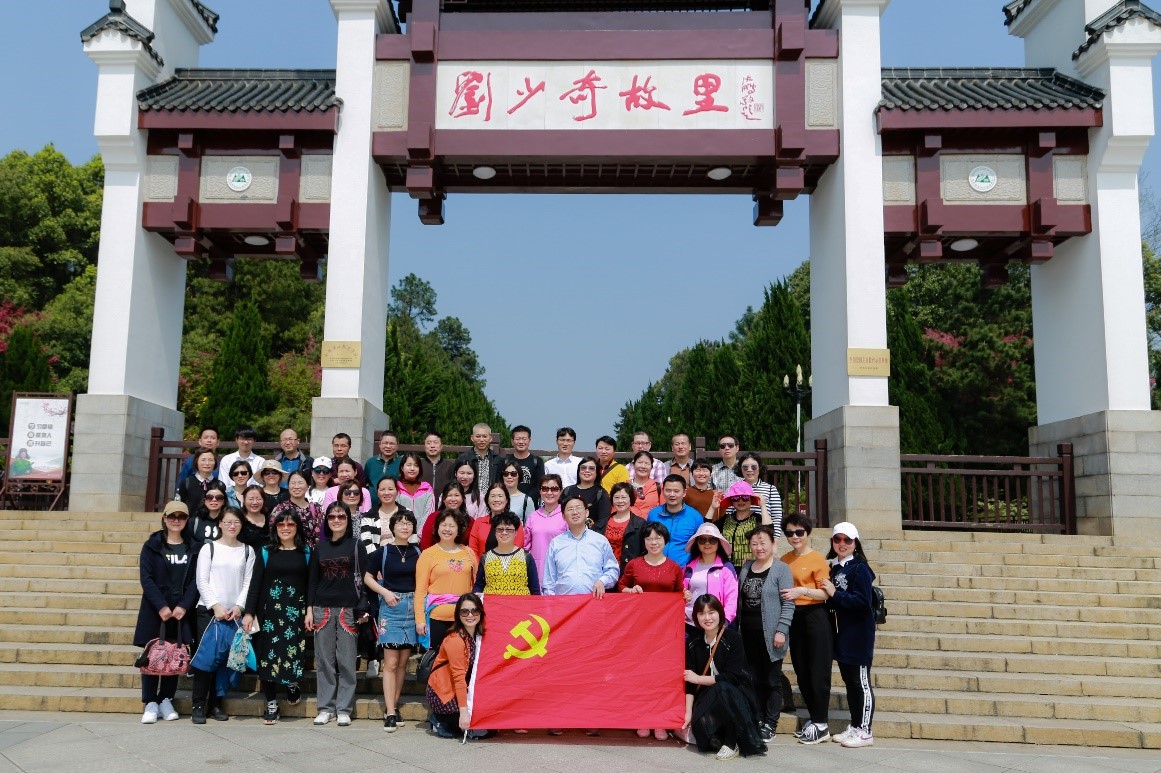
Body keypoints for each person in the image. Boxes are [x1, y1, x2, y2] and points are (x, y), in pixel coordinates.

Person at [243, 509, 310, 725]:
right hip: (268, 613)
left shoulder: (306, 552)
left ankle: (292, 683)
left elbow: (311, 585)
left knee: (293, 652)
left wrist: (309, 610)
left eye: (290, 524)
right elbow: (255, 584)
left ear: (297, 527)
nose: (286, 528)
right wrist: (249, 613)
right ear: (275, 528)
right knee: (267, 658)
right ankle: (271, 703)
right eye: (281, 524)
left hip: (295, 613)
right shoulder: (265, 551)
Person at [189, 508, 255, 724]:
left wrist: (239, 606)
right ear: (220, 524)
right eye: (228, 522)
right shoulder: (209, 548)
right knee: (206, 659)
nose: (232, 526)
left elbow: (248, 583)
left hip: (234, 613)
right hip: (209, 611)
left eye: (236, 522)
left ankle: (216, 703)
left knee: (226, 660)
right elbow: (202, 580)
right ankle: (198, 705)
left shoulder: (247, 551)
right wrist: (215, 606)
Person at [136, 501, 199, 724]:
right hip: (156, 609)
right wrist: (161, 606)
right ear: (164, 518)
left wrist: (184, 605)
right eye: (172, 516)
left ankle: (166, 699)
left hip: (181, 610)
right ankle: (150, 702)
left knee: (175, 654)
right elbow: (146, 578)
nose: (176, 520)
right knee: (152, 654)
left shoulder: (194, 546)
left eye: (181, 517)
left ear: (187, 520)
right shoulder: (152, 545)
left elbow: (197, 580)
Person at [306, 502, 368, 727]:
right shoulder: (319, 548)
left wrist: (363, 608)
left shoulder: (356, 545)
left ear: (348, 520)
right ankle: (325, 707)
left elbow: (364, 579)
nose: (336, 520)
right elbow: (312, 581)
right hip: (322, 607)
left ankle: (343, 708)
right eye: (332, 517)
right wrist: (309, 609)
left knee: (347, 661)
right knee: (324, 661)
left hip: (348, 609)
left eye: (341, 516)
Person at [682, 594, 766, 759]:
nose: (707, 618)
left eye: (711, 612)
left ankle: (731, 742)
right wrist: (688, 713)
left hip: (735, 694)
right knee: (703, 733)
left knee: (723, 688)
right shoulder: (693, 641)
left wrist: (698, 679)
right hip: (707, 697)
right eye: (702, 613)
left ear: (720, 613)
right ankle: (723, 738)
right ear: (696, 617)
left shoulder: (733, 638)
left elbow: (732, 677)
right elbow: (689, 682)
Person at [363, 511, 421, 733]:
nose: (405, 527)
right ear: (393, 527)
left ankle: (394, 707)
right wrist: (384, 592)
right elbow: (368, 577)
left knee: (403, 663)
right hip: (391, 608)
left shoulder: (419, 552)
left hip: (412, 608)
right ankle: (389, 712)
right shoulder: (383, 551)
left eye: (409, 523)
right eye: (401, 523)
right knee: (390, 663)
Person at [779, 512, 833, 744]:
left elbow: (825, 594)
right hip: (794, 617)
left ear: (807, 533)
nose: (795, 536)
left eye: (799, 532)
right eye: (790, 533)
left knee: (817, 671)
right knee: (801, 670)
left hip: (815, 615)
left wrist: (803, 591)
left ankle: (822, 723)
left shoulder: (817, 559)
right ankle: (814, 718)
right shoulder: (784, 559)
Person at [823, 522, 877, 749]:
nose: (842, 544)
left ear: (856, 543)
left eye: (848, 540)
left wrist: (835, 593)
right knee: (850, 682)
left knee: (861, 683)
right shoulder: (835, 567)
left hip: (859, 635)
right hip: (842, 634)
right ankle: (855, 726)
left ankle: (865, 731)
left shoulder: (859, 569)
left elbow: (864, 602)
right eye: (838, 539)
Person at [738, 525, 794, 742]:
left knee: (772, 680)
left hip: (772, 635)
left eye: (763, 543)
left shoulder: (781, 569)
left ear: (773, 544)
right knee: (754, 678)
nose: (759, 547)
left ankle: (770, 723)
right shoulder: (747, 567)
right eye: (754, 543)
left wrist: (781, 630)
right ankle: (758, 718)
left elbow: (788, 603)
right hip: (748, 635)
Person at [415, 510, 477, 655]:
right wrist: (420, 620)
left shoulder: (469, 553)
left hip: (465, 616)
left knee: (464, 659)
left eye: (452, 526)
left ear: (459, 529)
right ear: (437, 527)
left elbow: (475, 585)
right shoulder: (428, 554)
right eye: (443, 525)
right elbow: (420, 591)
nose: (447, 529)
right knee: (438, 660)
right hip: (437, 617)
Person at [426, 593, 485, 739]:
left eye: (475, 611)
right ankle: (439, 719)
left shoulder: (479, 636)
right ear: (458, 614)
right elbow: (458, 678)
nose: (470, 615)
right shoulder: (455, 640)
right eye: (465, 611)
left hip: (465, 688)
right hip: (445, 692)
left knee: (486, 726)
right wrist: (464, 713)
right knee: (475, 729)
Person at [541, 495, 619, 597]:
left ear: (586, 512)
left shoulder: (600, 541)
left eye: (578, 508)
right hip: (564, 603)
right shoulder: (556, 543)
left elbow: (613, 570)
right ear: (563, 516)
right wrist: (551, 602)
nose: (575, 512)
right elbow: (548, 580)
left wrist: (602, 581)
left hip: (594, 601)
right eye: (570, 509)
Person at [681, 522, 739, 637]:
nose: (707, 543)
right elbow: (680, 591)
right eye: (702, 540)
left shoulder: (726, 567)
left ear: (719, 543)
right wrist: (683, 596)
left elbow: (731, 598)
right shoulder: (688, 566)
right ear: (697, 543)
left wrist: (725, 622)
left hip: (715, 624)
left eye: (712, 540)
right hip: (689, 622)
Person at [473, 512, 540, 596]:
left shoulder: (526, 556)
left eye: (509, 530)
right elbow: (479, 585)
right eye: (500, 529)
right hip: (492, 603)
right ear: (495, 532)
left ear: (516, 532)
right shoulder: (486, 557)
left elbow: (535, 589)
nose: (504, 532)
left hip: (520, 603)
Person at [647, 475, 704, 564]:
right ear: (663, 491)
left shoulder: (695, 517)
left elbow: (700, 546)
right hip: (656, 566)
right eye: (668, 490)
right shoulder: (653, 514)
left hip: (683, 568)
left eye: (676, 491)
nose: (672, 494)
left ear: (684, 493)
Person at [593, 481, 646, 570]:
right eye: (616, 497)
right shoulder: (601, 524)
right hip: (604, 571)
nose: (620, 501)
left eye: (624, 497)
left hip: (628, 571)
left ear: (631, 499)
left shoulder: (640, 524)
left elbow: (644, 552)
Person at [523, 474, 567, 578]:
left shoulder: (566, 516)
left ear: (561, 491)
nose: (549, 493)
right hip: (536, 570)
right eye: (545, 489)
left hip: (560, 571)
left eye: (554, 489)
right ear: (540, 491)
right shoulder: (533, 517)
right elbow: (526, 546)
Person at [467, 483, 526, 560]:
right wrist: (480, 566)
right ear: (487, 500)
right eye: (493, 496)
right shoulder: (479, 522)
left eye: (500, 496)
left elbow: (518, 548)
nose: (496, 499)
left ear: (506, 500)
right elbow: (473, 550)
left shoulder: (514, 522)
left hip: (510, 566)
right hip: (482, 566)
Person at [718, 481, 764, 570]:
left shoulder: (757, 519)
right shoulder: (726, 519)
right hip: (726, 568)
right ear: (731, 501)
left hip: (750, 567)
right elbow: (707, 529)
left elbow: (769, 532)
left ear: (751, 499)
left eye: (745, 497)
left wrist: (763, 506)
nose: (740, 501)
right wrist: (713, 508)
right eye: (735, 498)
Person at [270, 471, 322, 549]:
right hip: (288, 552)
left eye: (300, 483)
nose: (296, 486)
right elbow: (274, 532)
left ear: (308, 486)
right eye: (293, 483)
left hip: (311, 553)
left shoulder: (316, 508)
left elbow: (320, 535)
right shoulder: (280, 509)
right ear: (288, 486)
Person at [737, 452, 783, 538]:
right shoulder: (735, 488)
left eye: (753, 467)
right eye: (745, 467)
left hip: (764, 536)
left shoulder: (770, 489)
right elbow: (729, 514)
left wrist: (775, 539)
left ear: (760, 468)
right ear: (740, 469)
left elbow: (777, 517)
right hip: (740, 536)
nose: (749, 470)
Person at [454, 423, 502, 499]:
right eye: (478, 436)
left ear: (490, 438)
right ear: (472, 438)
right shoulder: (463, 458)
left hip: (490, 500)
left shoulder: (497, 459)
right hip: (468, 499)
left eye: (485, 436)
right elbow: (454, 480)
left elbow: (499, 482)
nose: (481, 440)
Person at [419, 482, 469, 549]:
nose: (453, 499)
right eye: (449, 495)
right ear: (443, 499)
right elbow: (425, 544)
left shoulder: (469, 521)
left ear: (463, 498)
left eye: (457, 495)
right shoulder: (433, 517)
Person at [563, 456, 611, 526]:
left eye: (591, 468)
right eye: (583, 468)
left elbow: (603, 521)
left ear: (597, 472)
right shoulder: (568, 491)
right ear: (579, 471)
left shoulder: (601, 493)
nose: (587, 470)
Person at [396, 452, 436, 534]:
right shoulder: (396, 487)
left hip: (422, 535)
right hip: (400, 534)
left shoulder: (427, 488)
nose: (412, 468)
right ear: (402, 468)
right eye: (409, 465)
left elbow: (429, 513)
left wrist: (419, 534)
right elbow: (394, 513)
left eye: (416, 465)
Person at [508, 425, 544, 505]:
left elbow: (540, 485)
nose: (521, 442)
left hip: (531, 504)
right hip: (509, 503)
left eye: (524, 439)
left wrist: (526, 499)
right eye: (518, 439)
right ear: (512, 441)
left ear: (529, 441)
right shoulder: (505, 461)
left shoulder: (537, 461)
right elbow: (500, 483)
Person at [186, 480, 227, 549]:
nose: (214, 500)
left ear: (224, 501)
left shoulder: (229, 522)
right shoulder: (194, 522)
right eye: (209, 497)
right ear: (204, 500)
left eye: (219, 498)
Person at [175, 448, 218, 515]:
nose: (207, 463)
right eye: (203, 460)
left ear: (215, 463)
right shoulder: (186, 483)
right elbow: (179, 505)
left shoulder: (219, 484)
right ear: (196, 462)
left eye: (210, 460)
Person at [365, 430, 401, 508]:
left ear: (397, 445)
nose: (388, 446)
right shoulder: (371, 462)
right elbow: (365, 483)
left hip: (395, 507)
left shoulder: (402, 462)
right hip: (372, 507)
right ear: (380, 444)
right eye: (385, 443)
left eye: (392, 443)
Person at [419, 431, 456, 497]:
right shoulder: (418, 465)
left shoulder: (450, 466)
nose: (432, 446)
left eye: (435, 443)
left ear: (441, 446)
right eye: (428, 443)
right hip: (422, 502)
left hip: (444, 502)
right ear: (424, 446)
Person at [499, 458, 535, 523]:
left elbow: (531, 525)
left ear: (519, 476)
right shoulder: (496, 497)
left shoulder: (527, 500)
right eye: (506, 474)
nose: (509, 477)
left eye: (513, 474)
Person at [628, 451, 662, 518]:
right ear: (633, 465)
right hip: (630, 524)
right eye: (640, 462)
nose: (643, 466)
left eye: (647, 463)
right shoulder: (625, 486)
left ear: (651, 467)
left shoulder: (659, 487)